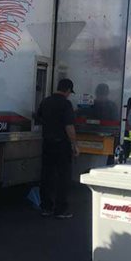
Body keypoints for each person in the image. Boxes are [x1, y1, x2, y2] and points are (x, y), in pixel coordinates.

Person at [37, 78, 80, 219]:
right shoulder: (66, 104)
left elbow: (39, 118)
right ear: (67, 90)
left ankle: (46, 207)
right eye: (69, 92)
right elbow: (69, 126)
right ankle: (61, 209)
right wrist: (74, 144)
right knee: (63, 177)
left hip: (47, 144)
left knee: (46, 176)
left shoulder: (46, 101)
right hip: (62, 145)